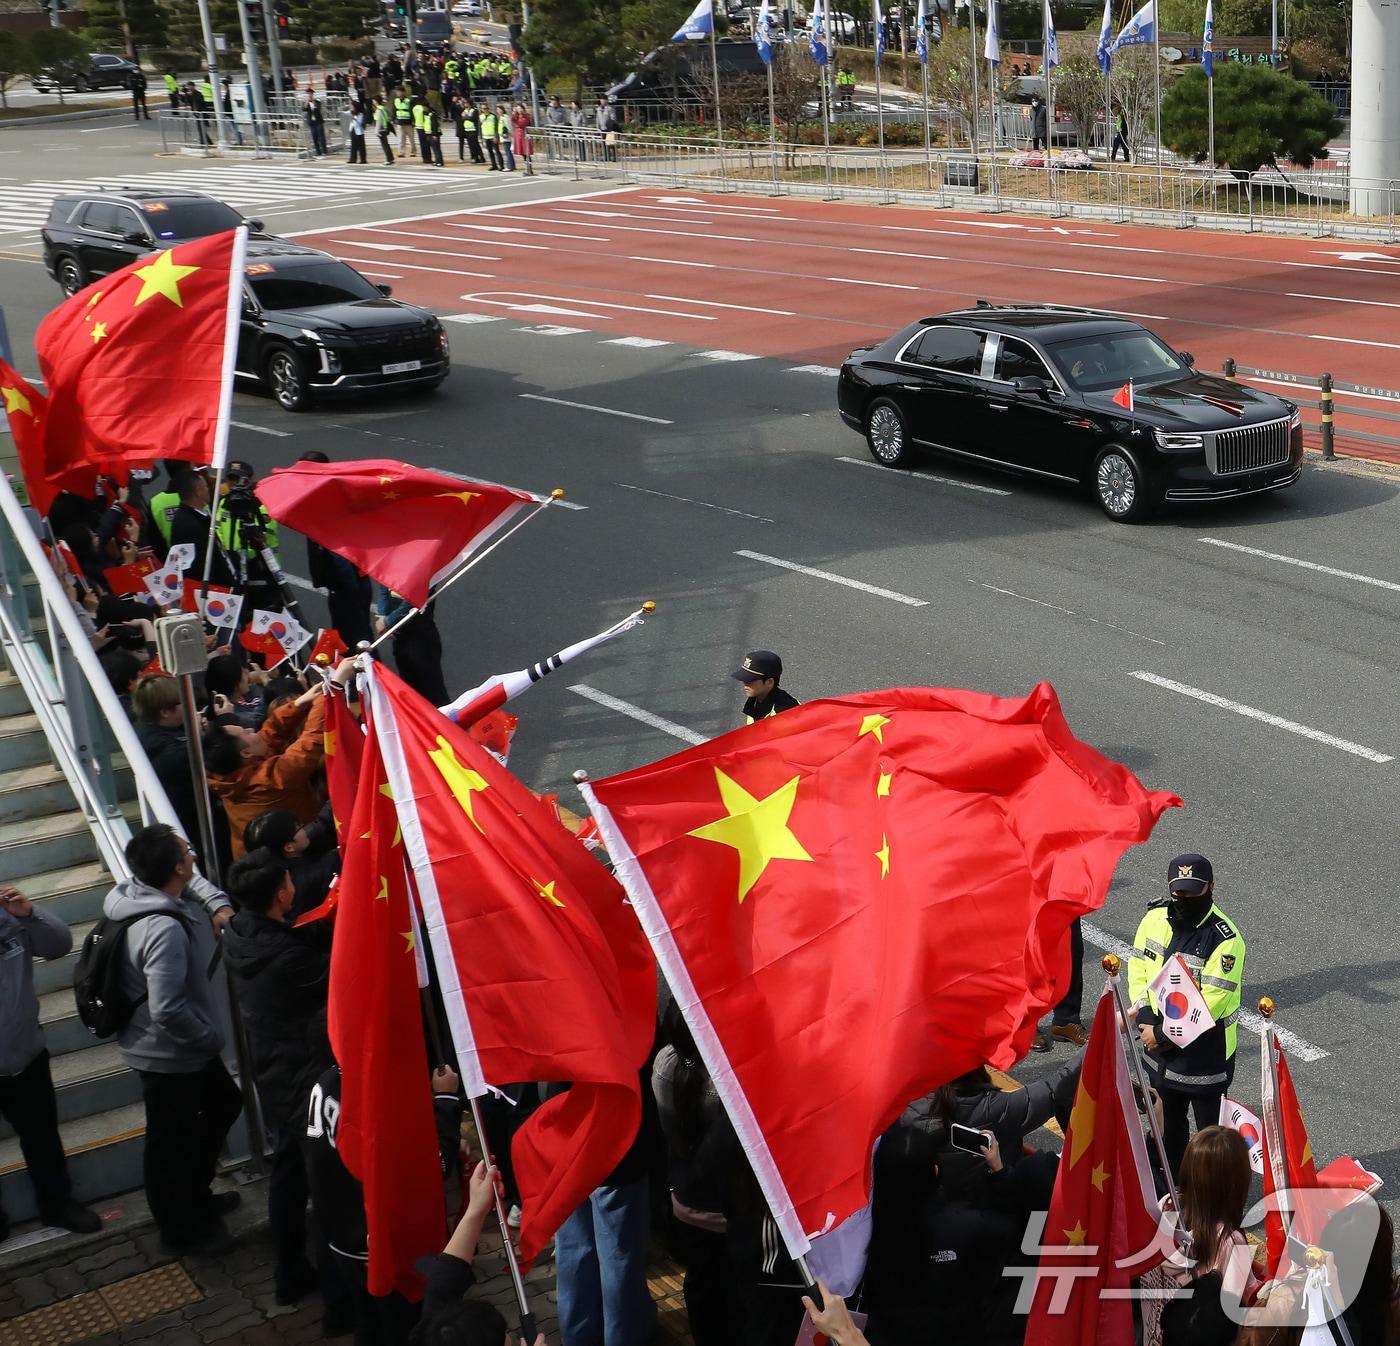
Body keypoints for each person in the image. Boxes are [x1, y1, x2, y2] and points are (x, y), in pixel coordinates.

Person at [102, 824, 242, 1256]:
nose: (193, 858)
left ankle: (195, 1198)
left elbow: (192, 880)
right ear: (178, 867)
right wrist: (208, 1037)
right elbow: (167, 1008)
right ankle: (180, 1228)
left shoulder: (132, 893)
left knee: (221, 1106)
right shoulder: (163, 928)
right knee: (170, 1142)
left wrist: (215, 903)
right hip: (170, 1050)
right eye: (188, 853)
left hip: (170, 1046)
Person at [223, 849, 343, 1314]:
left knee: (289, 1179)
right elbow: (332, 975)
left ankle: (289, 1273)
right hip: (305, 1080)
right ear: (280, 893)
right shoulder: (288, 959)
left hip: (274, 1074)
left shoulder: (240, 934)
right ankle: (338, 1301)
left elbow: (295, 940)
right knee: (327, 1187)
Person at [304, 1061, 465, 1346]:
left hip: (343, 1239)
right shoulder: (374, 1096)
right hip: (380, 1247)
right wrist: (446, 1100)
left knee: (368, 1323)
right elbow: (432, 1169)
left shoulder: (327, 1078)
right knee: (403, 1329)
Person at [1128, 854, 1246, 1176]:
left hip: (1204, 1056)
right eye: (1179, 893)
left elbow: (1212, 1003)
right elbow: (1139, 969)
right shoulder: (1153, 920)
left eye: (1194, 893)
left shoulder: (1226, 940)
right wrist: (1146, 1020)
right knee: (1167, 1127)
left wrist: (1162, 1034)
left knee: (1210, 1138)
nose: (1185, 899)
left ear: (1211, 888)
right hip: (1158, 1051)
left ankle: (1214, 1194)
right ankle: (1172, 1184)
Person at [0, 886, 103, 1242]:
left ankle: (57, 1204)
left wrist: (27, 913)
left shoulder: (9, 919)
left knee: (42, 1135)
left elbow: (58, 945)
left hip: (26, 1053)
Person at [862, 1121, 1021, 1346]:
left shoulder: (862, 1231)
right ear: (935, 1170)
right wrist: (998, 1172)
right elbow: (1012, 1228)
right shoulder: (965, 1226)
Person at [652, 1001, 743, 1346]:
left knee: (700, 1283)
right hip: (725, 1212)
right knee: (732, 1293)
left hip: (685, 1202)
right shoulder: (725, 1083)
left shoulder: (663, 1065)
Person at [204, 661, 352, 858]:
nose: (252, 730)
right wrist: (335, 687)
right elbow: (310, 742)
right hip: (294, 857)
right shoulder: (267, 780)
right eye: (246, 733)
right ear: (245, 753)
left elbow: (270, 732)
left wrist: (299, 704)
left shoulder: (228, 776)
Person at [242, 809, 339, 919]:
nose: (305, 829)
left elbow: (321, 825)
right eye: (299, 827)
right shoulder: (316, 874)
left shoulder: (288, 851)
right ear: (289, 847)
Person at [374, 586, 448, 705]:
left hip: (421, 639)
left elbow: (414, 600)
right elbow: (384, 586)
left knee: (432, 688)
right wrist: (382, 615)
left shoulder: (421, 571)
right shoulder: (393, 568)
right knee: (410, 688)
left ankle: (446, 721)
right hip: (400, 637)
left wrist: (388, 622)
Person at [167, 467, 237, 588]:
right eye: (205, 486)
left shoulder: (198, 515)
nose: (208, 489)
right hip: (215, 594)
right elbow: (196, 568)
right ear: (198, 492)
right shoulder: (187, 525)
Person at [731, 649, 799, 723]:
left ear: (769, 682)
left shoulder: (785, 714)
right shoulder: (755, 701)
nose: (745, 683)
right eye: (744, 679)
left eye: (751, 680)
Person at [510, 102, 533, 175]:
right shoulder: (516, 116)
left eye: (520, 108)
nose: (519, 110)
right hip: (518, 135)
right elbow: (513, 120)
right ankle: (527, 168)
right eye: (518, 108)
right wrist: (514, 114)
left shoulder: (526, 116)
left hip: (524, 134)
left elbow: (522, 123)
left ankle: (529, 169)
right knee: (523, 153)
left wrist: (519, 116)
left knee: (527, 153)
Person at [304, 92, 328, 156]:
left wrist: (313, 102)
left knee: (321, 137)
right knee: (315, 137)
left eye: (310, 95)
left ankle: (324, 151)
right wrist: (307, 102)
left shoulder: (317, 102)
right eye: (308, 95)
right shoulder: (306, 103)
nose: (309, 96)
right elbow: (304, 109)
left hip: (319, 121)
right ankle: (318, 152)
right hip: (312, 122)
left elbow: (318, 109)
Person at [394, 87, 416, 156]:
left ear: (403, 92)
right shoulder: (396, 100)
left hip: (408, 122)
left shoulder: (408, 101)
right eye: (397, 92)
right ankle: (401, 152)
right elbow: (394, 110)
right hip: (400, 122)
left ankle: (413, 151)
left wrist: (413, 121)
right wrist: (393, 119)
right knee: (401, 139)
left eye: (399, 92)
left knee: (411, 138)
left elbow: (412, 111)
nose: (398, 93)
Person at [373, 95, 395, 163]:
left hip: (381, 129)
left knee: (384, 145)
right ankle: (391, 158)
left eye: (373, 101)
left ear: (376, 101)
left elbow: (379, 121)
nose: (373, 102)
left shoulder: (379, 110)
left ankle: (388, 159)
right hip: (385, 128)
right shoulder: (384, 108)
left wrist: (376, 131)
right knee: (386, 144)